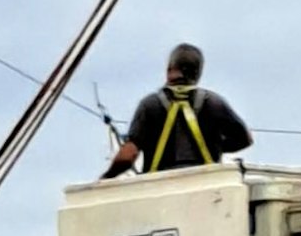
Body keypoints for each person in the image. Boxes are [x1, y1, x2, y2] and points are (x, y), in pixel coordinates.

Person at [100, 43, 252, 179]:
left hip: (160, 187)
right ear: (197, 74)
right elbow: (244, 140)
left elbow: (128, 156)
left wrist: (106, 178)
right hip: (205, 186)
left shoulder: (150, 105)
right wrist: (216, 146)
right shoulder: (214, 103)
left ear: (170, 70)